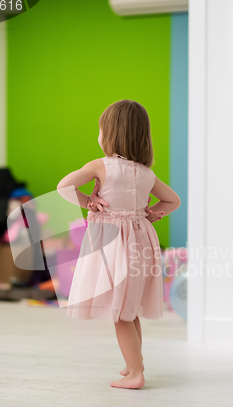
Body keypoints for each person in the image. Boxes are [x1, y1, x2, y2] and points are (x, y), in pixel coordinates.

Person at [57, 100, 181, 389]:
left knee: (120, 312)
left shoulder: (101, 166)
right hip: (141, 239)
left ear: (110, 134)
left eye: (100, 130)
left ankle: (137, 373)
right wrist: (152, 213)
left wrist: (88, 201)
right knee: (130, 306)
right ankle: (133, 362)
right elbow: (172, 200)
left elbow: (64, 186)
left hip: (115, 243)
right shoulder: (146, 173)